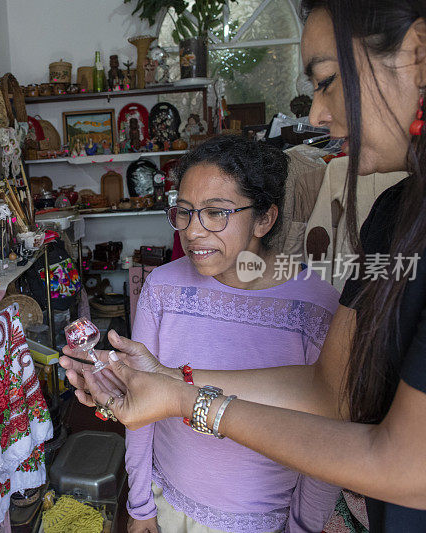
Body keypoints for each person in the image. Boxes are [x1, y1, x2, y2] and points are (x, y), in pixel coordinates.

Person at [61, 1, 426, 531]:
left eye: (327, 80)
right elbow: (327, 391)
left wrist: (185, 398)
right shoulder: (396, 214)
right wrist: (164, 380)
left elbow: (415, 465)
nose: (316, 114)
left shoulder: (318, 294)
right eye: (184, 211)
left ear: (420, 53)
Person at [125, 136, 341, 533]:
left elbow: (329, 439)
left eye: (216, 213)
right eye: (186, 213)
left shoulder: (317, 307)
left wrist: (302, 527)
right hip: (168, 503)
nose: (193, 231)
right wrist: (141, 508)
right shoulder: (162, 288)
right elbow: (139, 408)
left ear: (264, 219)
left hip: (263, 522)